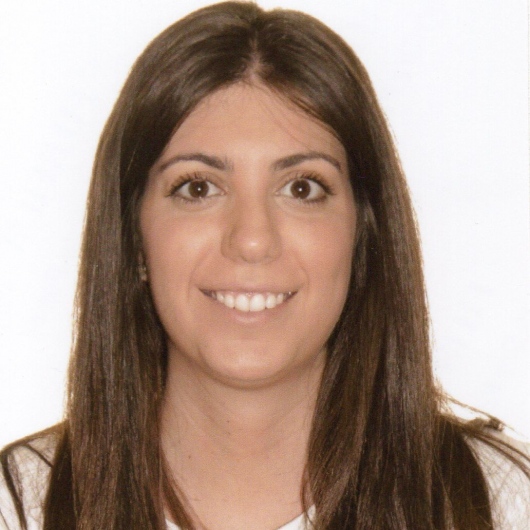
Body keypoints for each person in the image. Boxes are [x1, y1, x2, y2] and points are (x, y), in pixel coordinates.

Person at [1, 2, 529, 529]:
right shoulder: (19, 507)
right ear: (134, 238)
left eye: (302, 188)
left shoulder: (503, 504)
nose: (252, 240)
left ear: (363, 235)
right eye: (198, 188)